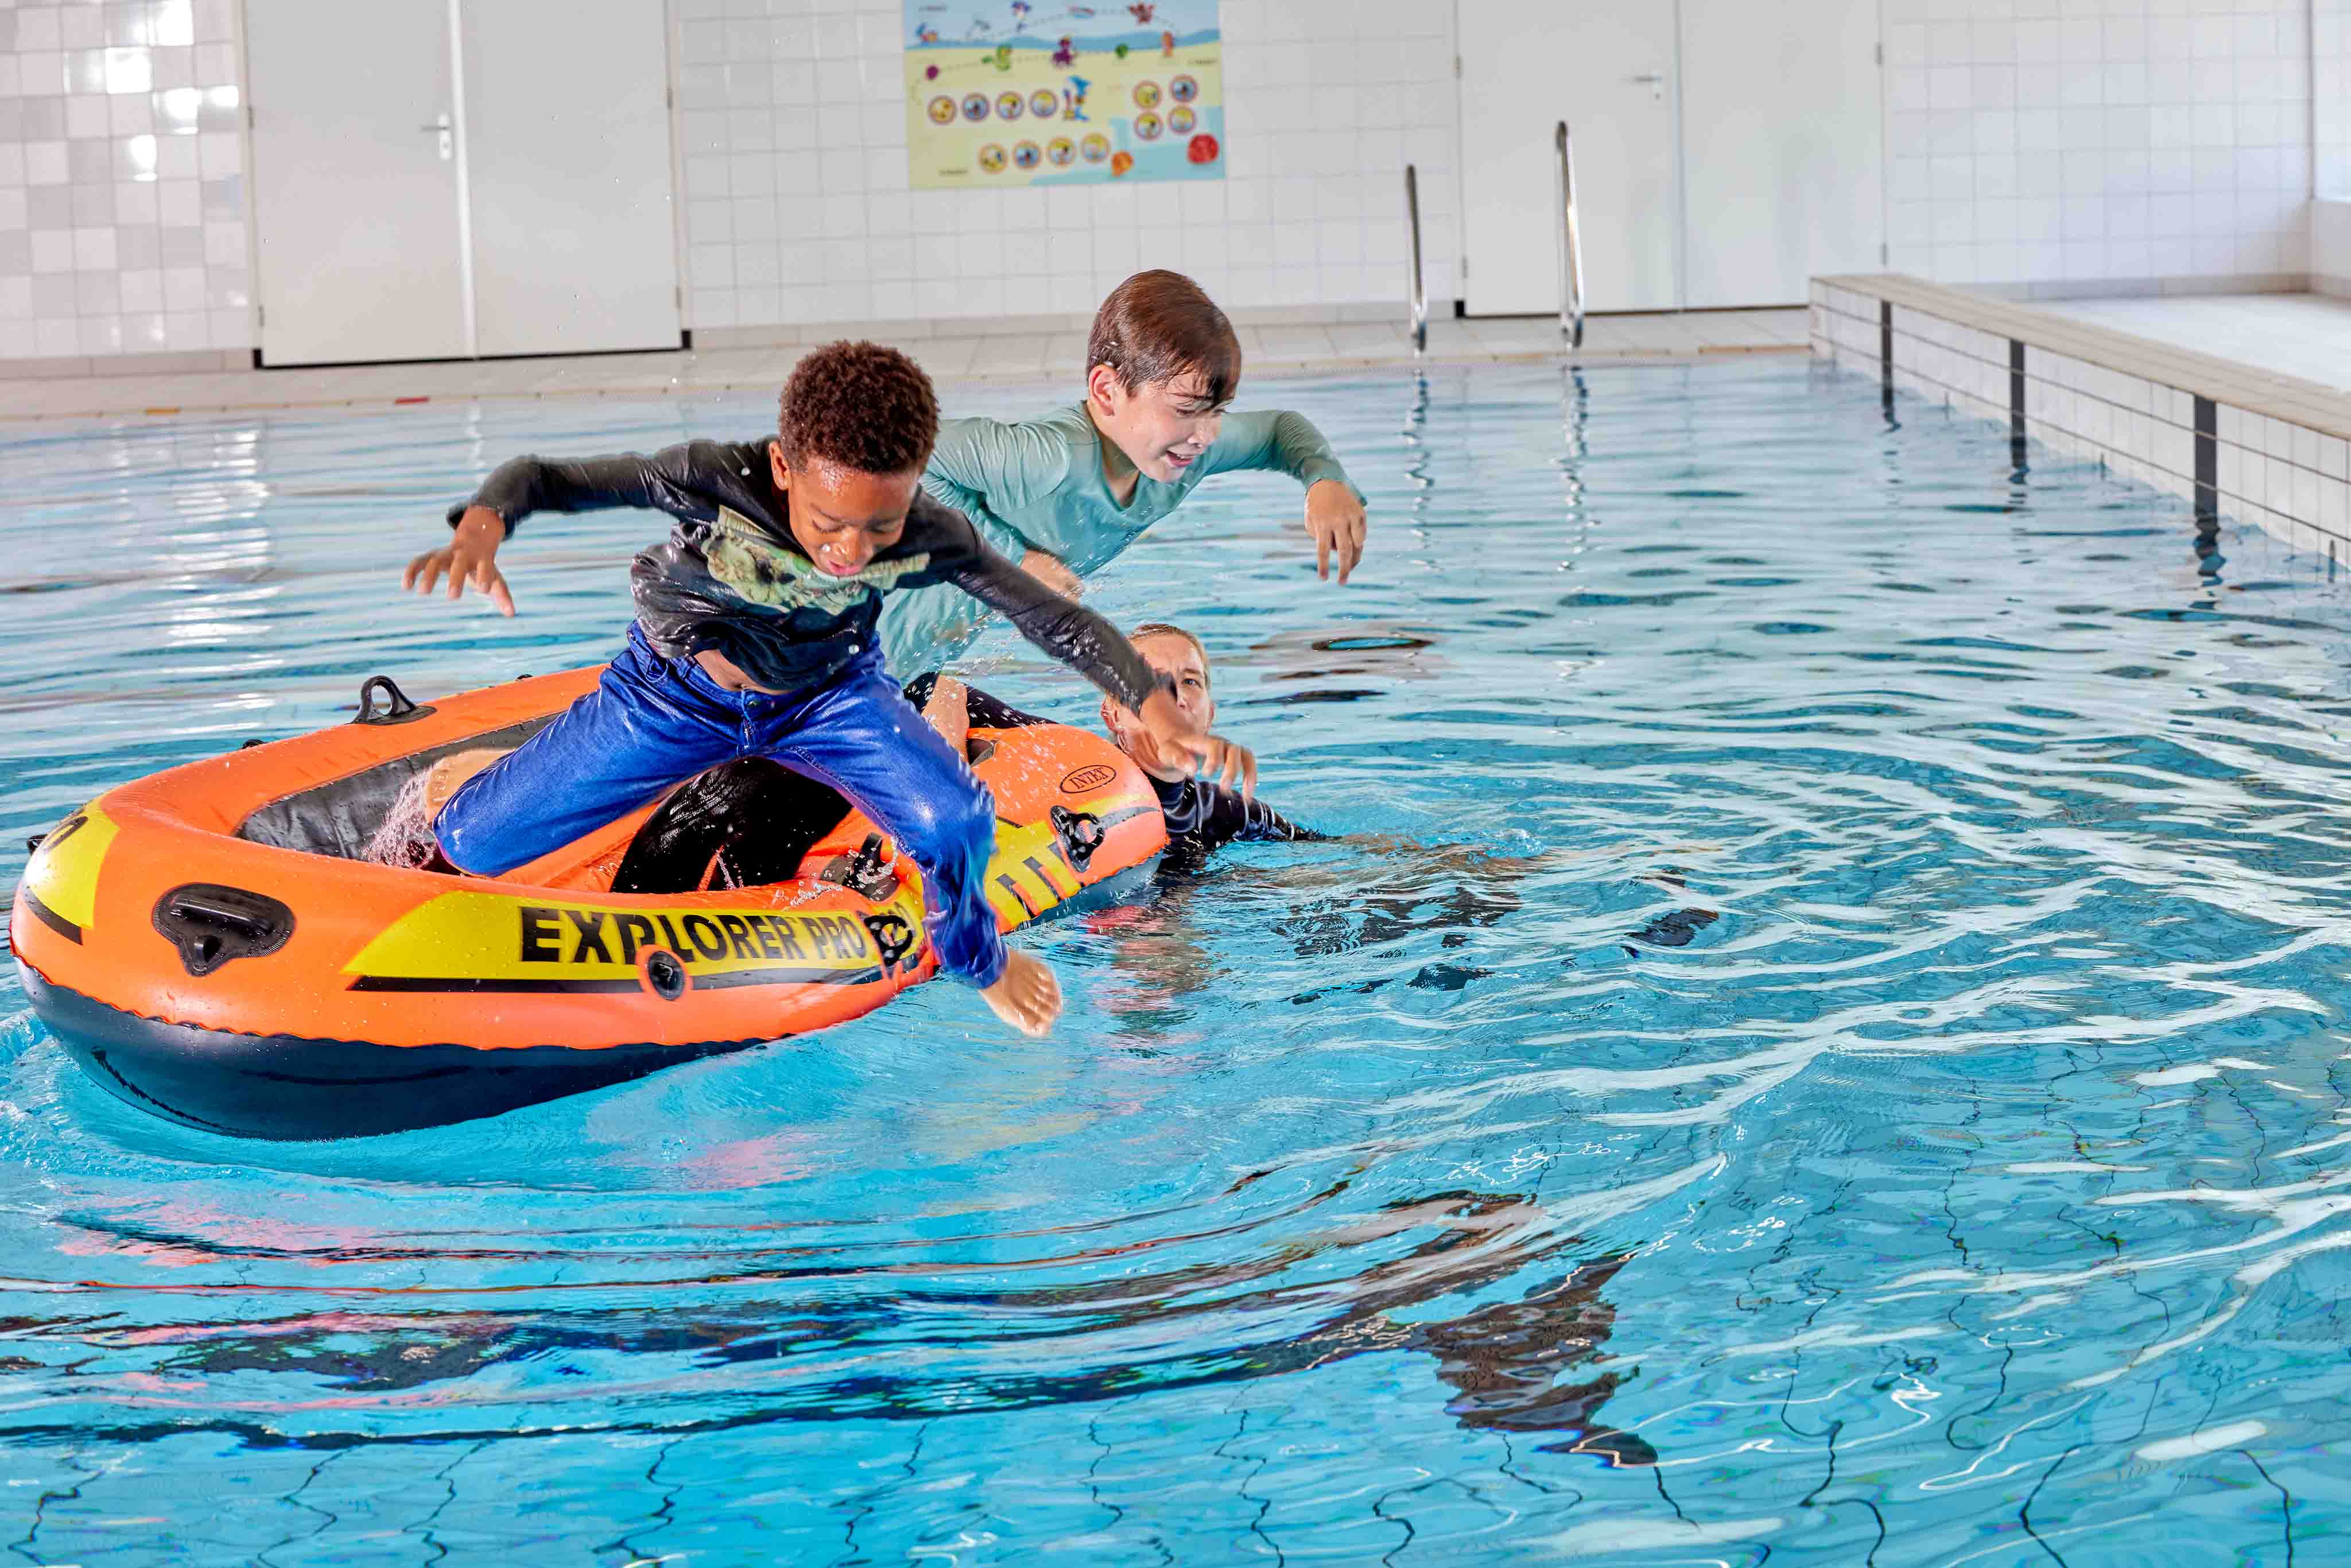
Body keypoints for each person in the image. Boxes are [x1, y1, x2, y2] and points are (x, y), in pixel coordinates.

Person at [397, 340, 1252, 1039]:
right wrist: (482, 527)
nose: (850, 549)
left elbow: (1051, 620)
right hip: (676, 695)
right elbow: (547, 477)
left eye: (879, 526)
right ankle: (422, 846)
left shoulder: (933, 529)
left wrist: (1149, 702)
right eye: (828, 522)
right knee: (477, 839)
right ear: (782, 466)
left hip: (826, 697)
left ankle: (974, 956)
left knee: (957, 816)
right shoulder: (711, 475)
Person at [874, 269, 1371, 673]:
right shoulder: (1049, 457)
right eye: (1186, 408)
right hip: (842, 652)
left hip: (911, 668)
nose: (1206, 434)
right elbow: (903, 457)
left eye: (1218, 412)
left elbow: (1279, 430)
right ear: (1108, 392)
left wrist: (1324, 478)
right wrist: (1013, 561)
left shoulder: (1184, 453)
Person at [611, 619, 1319, 896]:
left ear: (1211, 707)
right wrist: (937, 772)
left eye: (1189, 683)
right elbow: (938, 679)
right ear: (1112, 709)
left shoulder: (1220, 810)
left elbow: (1323, 852)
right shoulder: (1060, 765)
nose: (1172, 699)